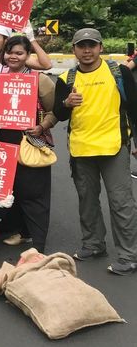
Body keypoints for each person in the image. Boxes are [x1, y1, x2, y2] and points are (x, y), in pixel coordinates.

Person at [53, 28, 137, 275]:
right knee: (87, 201)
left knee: (121, 203)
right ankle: (93, 244)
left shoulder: (118, 73)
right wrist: (66, 104)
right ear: (74, 50)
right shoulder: (66, 79)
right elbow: (58, 114)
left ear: (101, 47)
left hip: (114, 147)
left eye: (92, 45)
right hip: (81, 149)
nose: (87, 50)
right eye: (81, 46)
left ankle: (129, 255)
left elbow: (133, 108)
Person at [0, 36, 57, 252]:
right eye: (10, 52)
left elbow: (53, 112)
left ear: (27, 56)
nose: (13, 56)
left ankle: (38, 245)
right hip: (3, 143)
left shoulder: (40, 80)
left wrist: (42, 127)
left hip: (30, 142)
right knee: (10, 190)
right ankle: (21, 233)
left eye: (19, 53)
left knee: (34, 194)